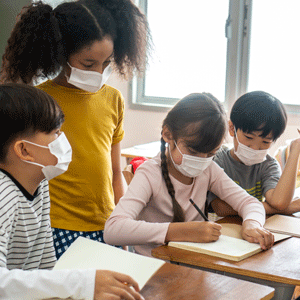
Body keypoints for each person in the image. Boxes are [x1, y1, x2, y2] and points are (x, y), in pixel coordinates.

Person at [0, 0, 151, 258]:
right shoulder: (39, 104)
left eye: (107, 63)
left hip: (106, 224)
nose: (100, 72)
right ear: (61, 54)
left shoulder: (113, 99)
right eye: (88, 64)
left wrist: (122, 223)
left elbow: (115, 172)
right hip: (56, 227)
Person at [0, 83, 144, 300]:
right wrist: (81, 284)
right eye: (55, 133)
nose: (63, 140)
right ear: (24, 150)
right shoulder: (3, 197)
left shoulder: (40, 183)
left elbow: (46, 266)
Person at [103, 93, 274, 257]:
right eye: (193, 151)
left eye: (210, 154)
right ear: (168, 135)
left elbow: (249, 202)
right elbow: (113, 230)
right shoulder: (150, 174)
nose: (201, 160)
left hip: (195, 264)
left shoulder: (208, 170)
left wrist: (252, 223)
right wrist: (179, 231)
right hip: (155, 270)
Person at [207, 91, 300, 217]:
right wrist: (291, 207)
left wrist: (296, 149)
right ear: (231, 128)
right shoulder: (218, 159)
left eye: (266, 141)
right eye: (248, 137)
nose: (255, 148)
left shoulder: (268, 164)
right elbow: (221, 208)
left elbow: (279, 202)